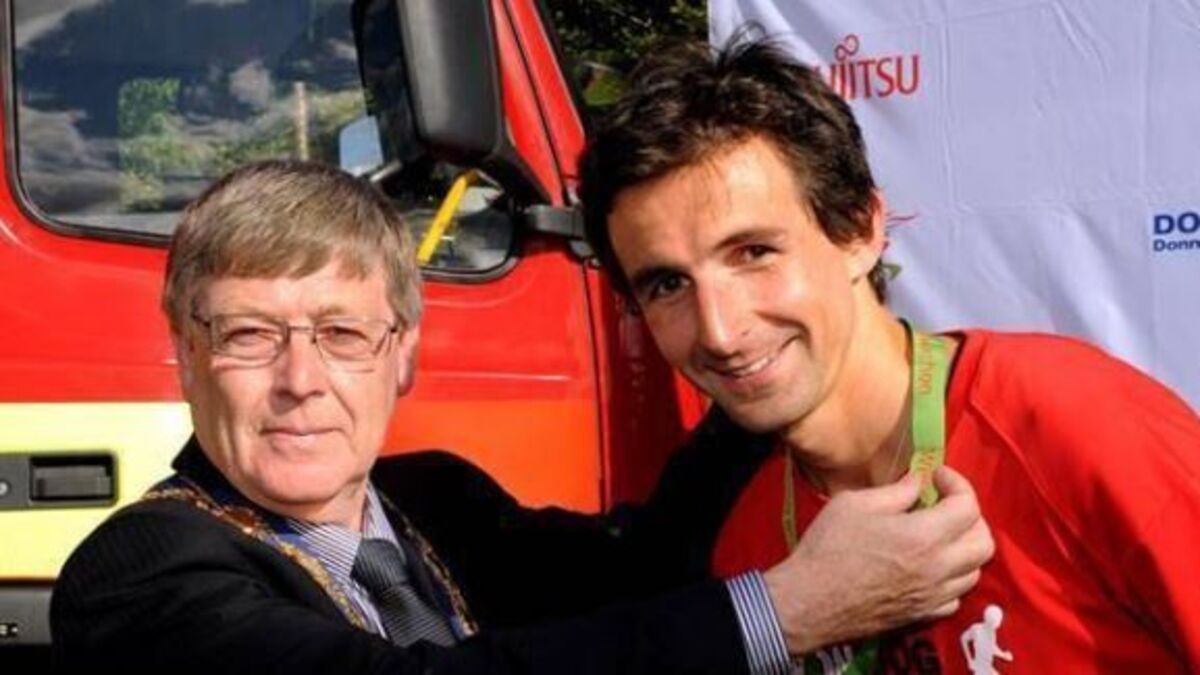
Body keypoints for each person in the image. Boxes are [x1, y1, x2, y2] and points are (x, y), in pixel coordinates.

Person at [51, 160, 992, 675]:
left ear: (403, 354)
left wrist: (764, 368)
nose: (302, 379)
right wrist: (786, 612)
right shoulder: (139, 575)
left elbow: (642, 563)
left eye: (343, 334)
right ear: (185, 352)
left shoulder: (434, 502)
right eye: (250, 335)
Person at [574, 35, 1200, 673]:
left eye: (754, 253)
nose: (719, 332)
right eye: (668, 284)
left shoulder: (1073, 423)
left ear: (859, 230)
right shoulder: (748, 551)